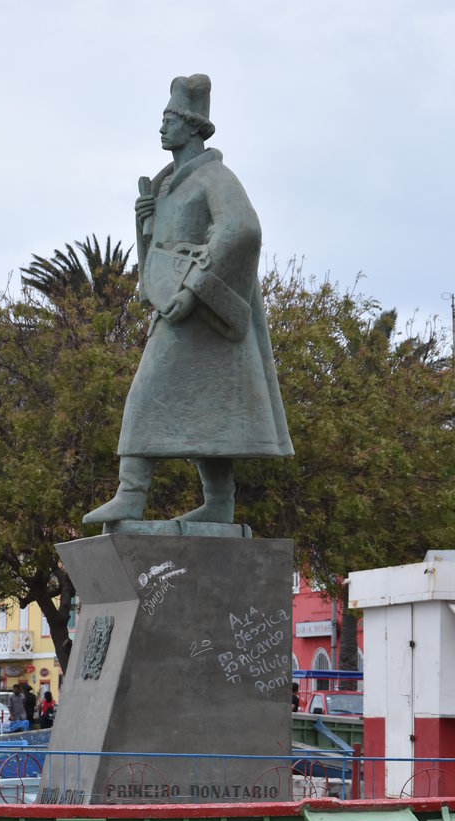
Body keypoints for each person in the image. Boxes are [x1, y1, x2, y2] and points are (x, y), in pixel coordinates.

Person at [84, 73, 293, 528]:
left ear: (192, 125)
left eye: (169, 119)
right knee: (210, 416)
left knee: (146, 394)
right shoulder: (168, 185)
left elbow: (242, 230)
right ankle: (218, 503)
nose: (161, 128)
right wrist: (146, 226)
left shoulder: (215, 177)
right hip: (178, 311)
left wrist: (195, 289)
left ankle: (132, 495)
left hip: (205, 318)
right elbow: (161, 260)